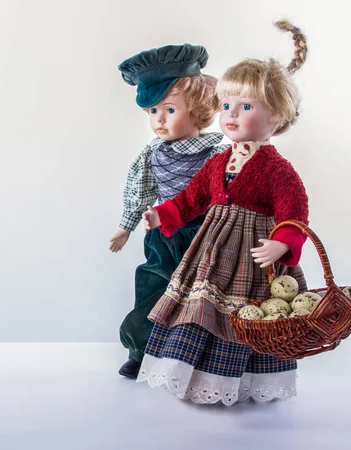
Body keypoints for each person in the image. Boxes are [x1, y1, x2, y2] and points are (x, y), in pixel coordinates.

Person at [138, 21, 310, 404]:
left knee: (245, 314)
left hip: (252, 255)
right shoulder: (218, 162)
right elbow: (191, 200)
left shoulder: (276, 169)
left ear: (276, 117)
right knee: (199, 305)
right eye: (227, 105)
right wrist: (162, 216)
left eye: (246, 107)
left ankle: (238, 380)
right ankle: (192, 373)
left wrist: (283, 244)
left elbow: (294, 211)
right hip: (212, 251)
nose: (231, 115)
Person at [110, 44, 228, 378]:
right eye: (152, 112)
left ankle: (198, 355)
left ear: (199, 110)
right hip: (163, 234)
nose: (159, 121)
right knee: (153, 283)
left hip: (206, 234)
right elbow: (140, 187)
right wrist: (127, 224)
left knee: (202, 294)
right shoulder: (152, 153)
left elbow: (229, 191)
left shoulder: (216, 152)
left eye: (170, 110)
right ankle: (142, 350)